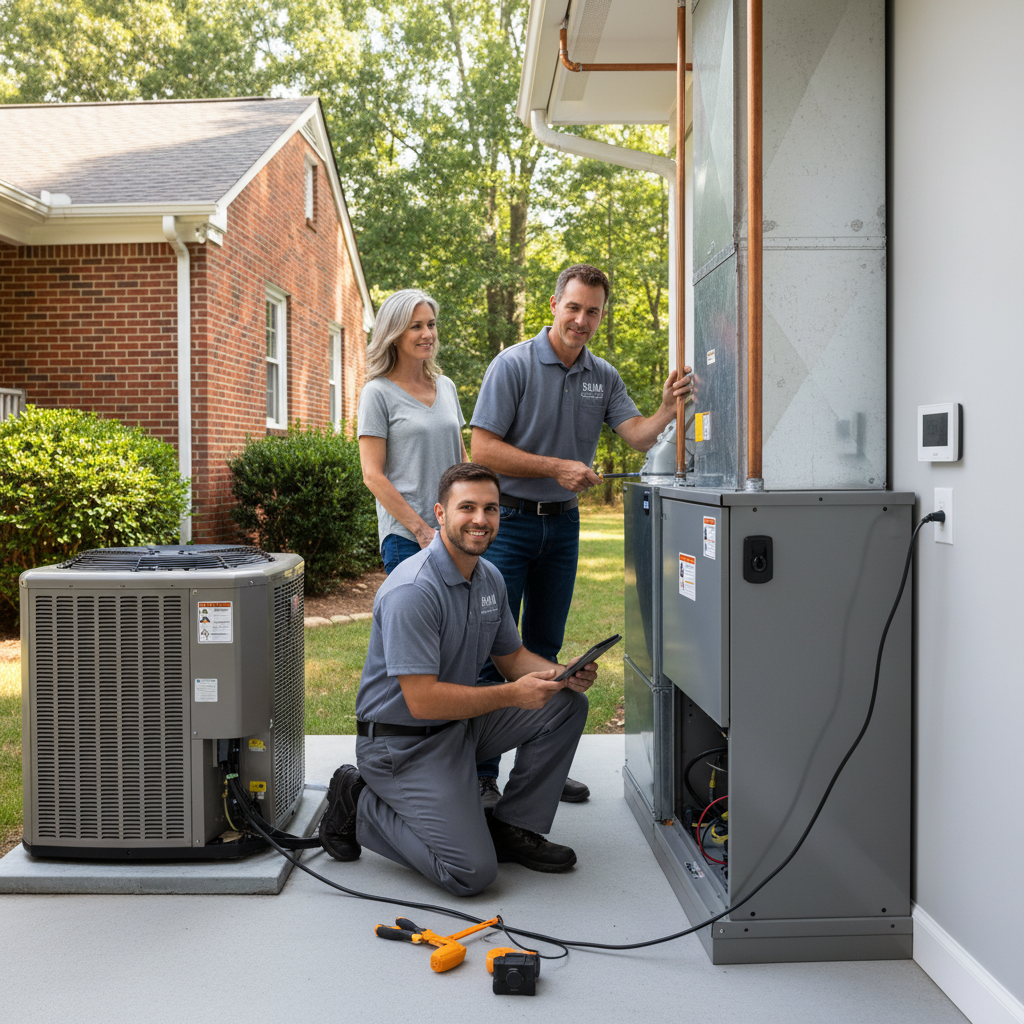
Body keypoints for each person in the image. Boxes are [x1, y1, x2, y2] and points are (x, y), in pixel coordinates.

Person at [470, 263, 693, 806]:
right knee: (492, 651)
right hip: (511, 524)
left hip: (562, 527)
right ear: (554, 305)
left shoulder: (603, 375)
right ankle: (479, 774)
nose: (582, 320)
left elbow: (638, 438)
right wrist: (555, 467)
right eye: (573, 307)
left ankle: (538, 766)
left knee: (547, 647)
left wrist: (667, 410)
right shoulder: (514, 365)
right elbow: (482, 450)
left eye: (593, 311)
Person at [320, 463, 598, 897]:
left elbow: (512, 659)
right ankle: (358, 800)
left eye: (491, 508)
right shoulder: (412, 590)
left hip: (458, 728)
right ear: (440, 514)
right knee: (470, 873)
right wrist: (512, 695)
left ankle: (514, 827)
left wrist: (563, 674)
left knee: (564, 705)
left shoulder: (489, 578)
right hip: (402, 744)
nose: (481, 519)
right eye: (467, 507)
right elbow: (423, 703)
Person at [357, 289, 468, 575]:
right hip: (407, 537)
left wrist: (471, 511)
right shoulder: (377, 393)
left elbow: (460, 456)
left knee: (455, 618)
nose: (427, 334)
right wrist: (421, 530)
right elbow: (372, 475)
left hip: (452, 531)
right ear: (394, 335)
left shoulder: (446, 386)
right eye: (416, 326)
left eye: (431, 324)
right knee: (415, 619)